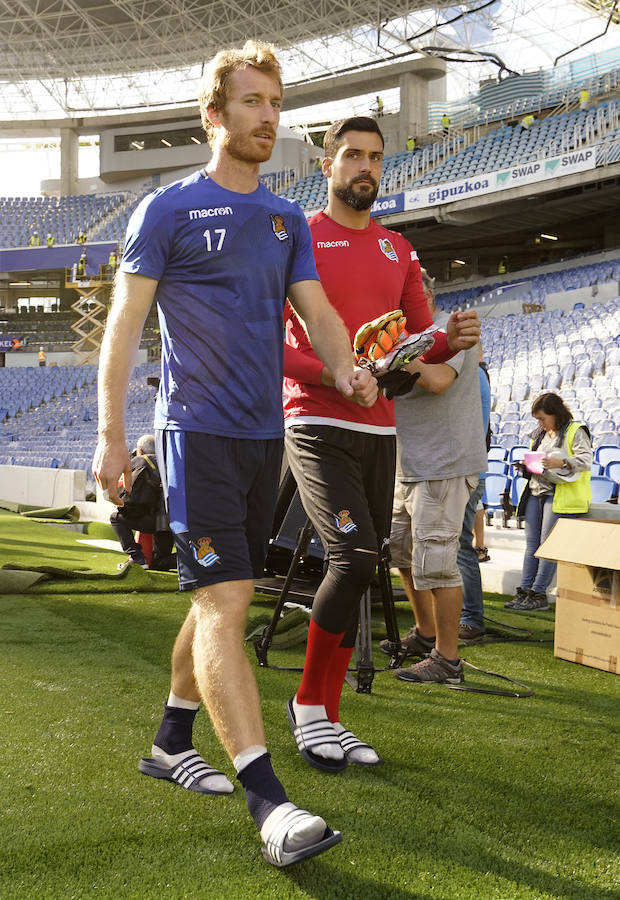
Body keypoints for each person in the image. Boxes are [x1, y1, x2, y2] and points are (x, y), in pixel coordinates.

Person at [92, 41, 378, 869]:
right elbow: (122, 330)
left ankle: (169, 741)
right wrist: (112, 436)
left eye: (275, 104)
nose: (267, 117)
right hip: (194, 430)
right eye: (251, 102)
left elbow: (318, 314)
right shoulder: (167, 210)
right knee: (226, 603)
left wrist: (347, 370)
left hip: (266, 437)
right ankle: (269, 804)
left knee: (219, 595)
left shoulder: (286, 219)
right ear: (214, 116)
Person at [284, 118, 481, 759]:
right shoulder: (298, 239)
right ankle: (309, 705)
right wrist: (335, 376)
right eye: (351, 156)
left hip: (380, 427)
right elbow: (267, 344)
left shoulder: (399, 250)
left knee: (364, 567)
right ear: (327, 166)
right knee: (353, 559)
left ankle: (329, 715)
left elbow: (419, 344)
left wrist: (455, 336)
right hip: (315, 421)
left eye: (374, 157)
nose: (365, 166)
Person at [384, 267, 486, 683]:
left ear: (426, 291)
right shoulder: (396, 338)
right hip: (406, 463)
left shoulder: (452, 331)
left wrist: (397, 360)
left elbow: (440, 380)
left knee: (439, 563)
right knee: (402, 554)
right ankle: (426, 633)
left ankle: (448, 660)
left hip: (444, 462)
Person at [506, 393, 592, 612]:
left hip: (560, 493)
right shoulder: (539, 433)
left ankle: (538, 593)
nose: (540, 423)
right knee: (532, 545)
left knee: (547, 545)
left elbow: (585, 460)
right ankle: (525, 591)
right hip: (536, 490)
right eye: (538, 419)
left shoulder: (575, 430)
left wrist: (560, 462)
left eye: (542, 418)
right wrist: (526, 466)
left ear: (555, 414)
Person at [456, 344, 492, 641]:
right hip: (465, 472)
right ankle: (465, 614)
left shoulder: (473, 375)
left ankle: (472, 617)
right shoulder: (477, 374)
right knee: (455, 548)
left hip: (464, 473)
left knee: (459, 548)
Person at [109, 434, 175, 570]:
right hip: (171, 522)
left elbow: (131, 499)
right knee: (160, 563)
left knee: (115, 518)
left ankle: (137, 558)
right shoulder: (171, 462)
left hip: (151, 520)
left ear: (140, 450)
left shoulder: (139, 462)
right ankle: (186, 560)